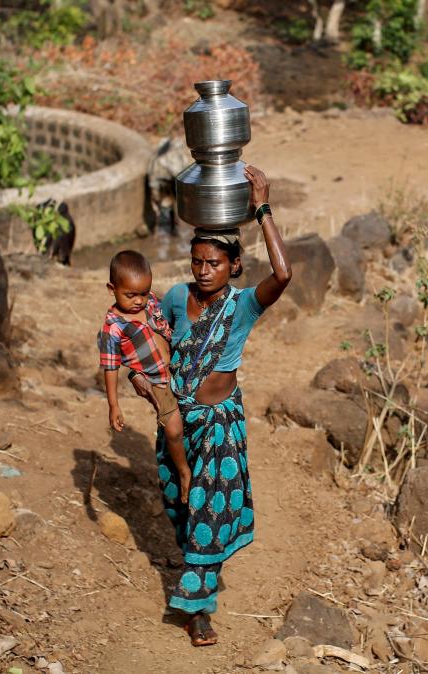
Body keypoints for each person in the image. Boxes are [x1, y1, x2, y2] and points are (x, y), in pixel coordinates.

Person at [130, 165, 291, 647]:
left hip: (220, 426)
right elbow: (149, 337)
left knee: (205, 510)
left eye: (214, 263)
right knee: (183, 505)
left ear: (234, 266)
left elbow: (283, 273)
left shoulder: (242, 306)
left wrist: (262, 207)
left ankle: (197, 611)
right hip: (178, 421)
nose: (203, 270)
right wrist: (139, 375)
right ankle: (199, 570)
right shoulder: (178, 297)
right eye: (197, 261)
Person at [98, 251, 190, 507]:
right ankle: (183, 472)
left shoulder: (151, 303)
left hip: (180, 370)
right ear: (111, 289)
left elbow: (171, 321)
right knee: (173, 429)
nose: (139, 300)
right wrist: (114, 405)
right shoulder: (113, 327)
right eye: (131, 295)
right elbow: (110, 366)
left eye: (144, 292)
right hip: (157, 382)